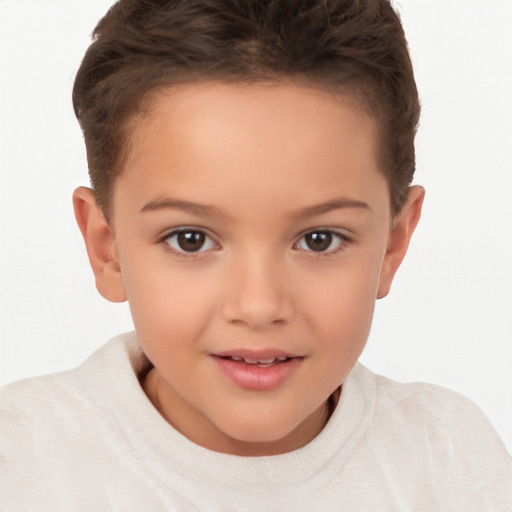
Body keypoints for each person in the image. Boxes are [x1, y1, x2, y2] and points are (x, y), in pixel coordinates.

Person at [1, 0, 511, 509]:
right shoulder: (20, 461)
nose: (259, 305)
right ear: (107, 248)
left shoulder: (450, 462)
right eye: (191, 239)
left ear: (392, 245)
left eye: (320, 239)